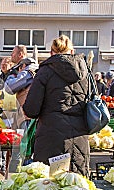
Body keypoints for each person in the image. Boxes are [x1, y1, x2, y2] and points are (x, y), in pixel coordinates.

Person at [22, 35, 90, 177]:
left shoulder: (45, 72)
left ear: (51, 53)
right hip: (79, 137)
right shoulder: (85, 73)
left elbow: (31, 109)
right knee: (77, 187)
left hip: (51, 137)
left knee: (48, 188)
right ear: (72, 52)